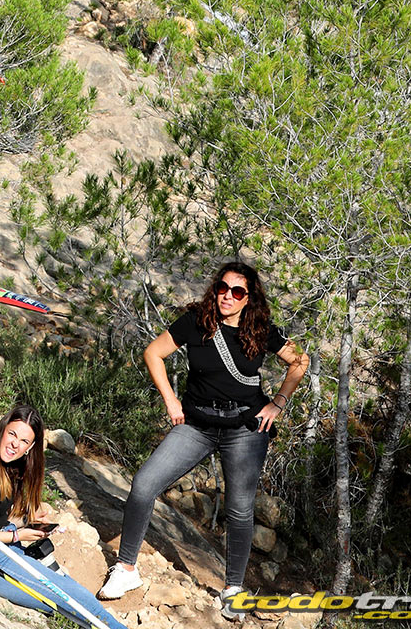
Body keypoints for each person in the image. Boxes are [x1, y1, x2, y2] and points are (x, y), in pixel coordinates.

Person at [97, 261, 310, 621]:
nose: (228, 296)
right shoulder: (197, 321)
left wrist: (278, 403)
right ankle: (127, 568)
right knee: (144, 484)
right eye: (223, 288)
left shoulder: (262, 330)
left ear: (249, 298)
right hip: (196, 424)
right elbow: (153, 353)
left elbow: (300, 361)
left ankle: (233, 589)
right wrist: (170, 399)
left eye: (237, 292)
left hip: (245, 428)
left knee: (239, 509)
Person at [0, 405, 128, 628]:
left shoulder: (6, 463)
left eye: (24, 441)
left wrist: (26, 521)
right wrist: (18, 535)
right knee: (78, 600)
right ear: (2, 429)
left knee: (71, 589)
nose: (15, 444)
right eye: (12, 434)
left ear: (30, 447)